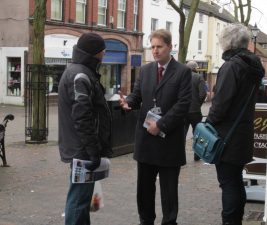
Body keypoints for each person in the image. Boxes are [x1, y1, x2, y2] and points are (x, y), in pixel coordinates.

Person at [119, 29, 191, 225]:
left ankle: (169, 221)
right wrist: (129, 103)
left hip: (168, 141)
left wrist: (161, 125)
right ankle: (146, 221)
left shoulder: (183, 72)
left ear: (170, 47)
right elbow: (137, 95)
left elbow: (183, 105)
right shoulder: (145, 70)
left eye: (159, 46)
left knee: (169, 191)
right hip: (146, 141)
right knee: (144, 189)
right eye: (152, 47)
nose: (155, 51)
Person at [206, 24, 264, 225]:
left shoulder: (231, 66)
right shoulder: (253, 66)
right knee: (236, 181)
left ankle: (229, 221)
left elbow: (220, 104)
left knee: (228, 183)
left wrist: (207, 124)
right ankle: (235, 220)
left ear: (228, 42)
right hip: (242, 135)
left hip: (227, 137)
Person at [58, 32, 112, 225]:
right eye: (102, 51)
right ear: (95, 53)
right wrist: (92, 149)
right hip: (82, 150)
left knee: (83, 199)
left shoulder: (80, 71)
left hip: (82, 148)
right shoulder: (80, 75)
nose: (104, 54)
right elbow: (82, 117)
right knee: (78, 201)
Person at [185, 61, 207, 161]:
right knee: (197, 133)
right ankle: (196, 155)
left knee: (182, 133)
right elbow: (203, 94)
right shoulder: (199, 77)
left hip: (183, 111)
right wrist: (198, 104)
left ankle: (180, 154)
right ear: (195, 68)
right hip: (195, 111)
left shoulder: (181, 77)